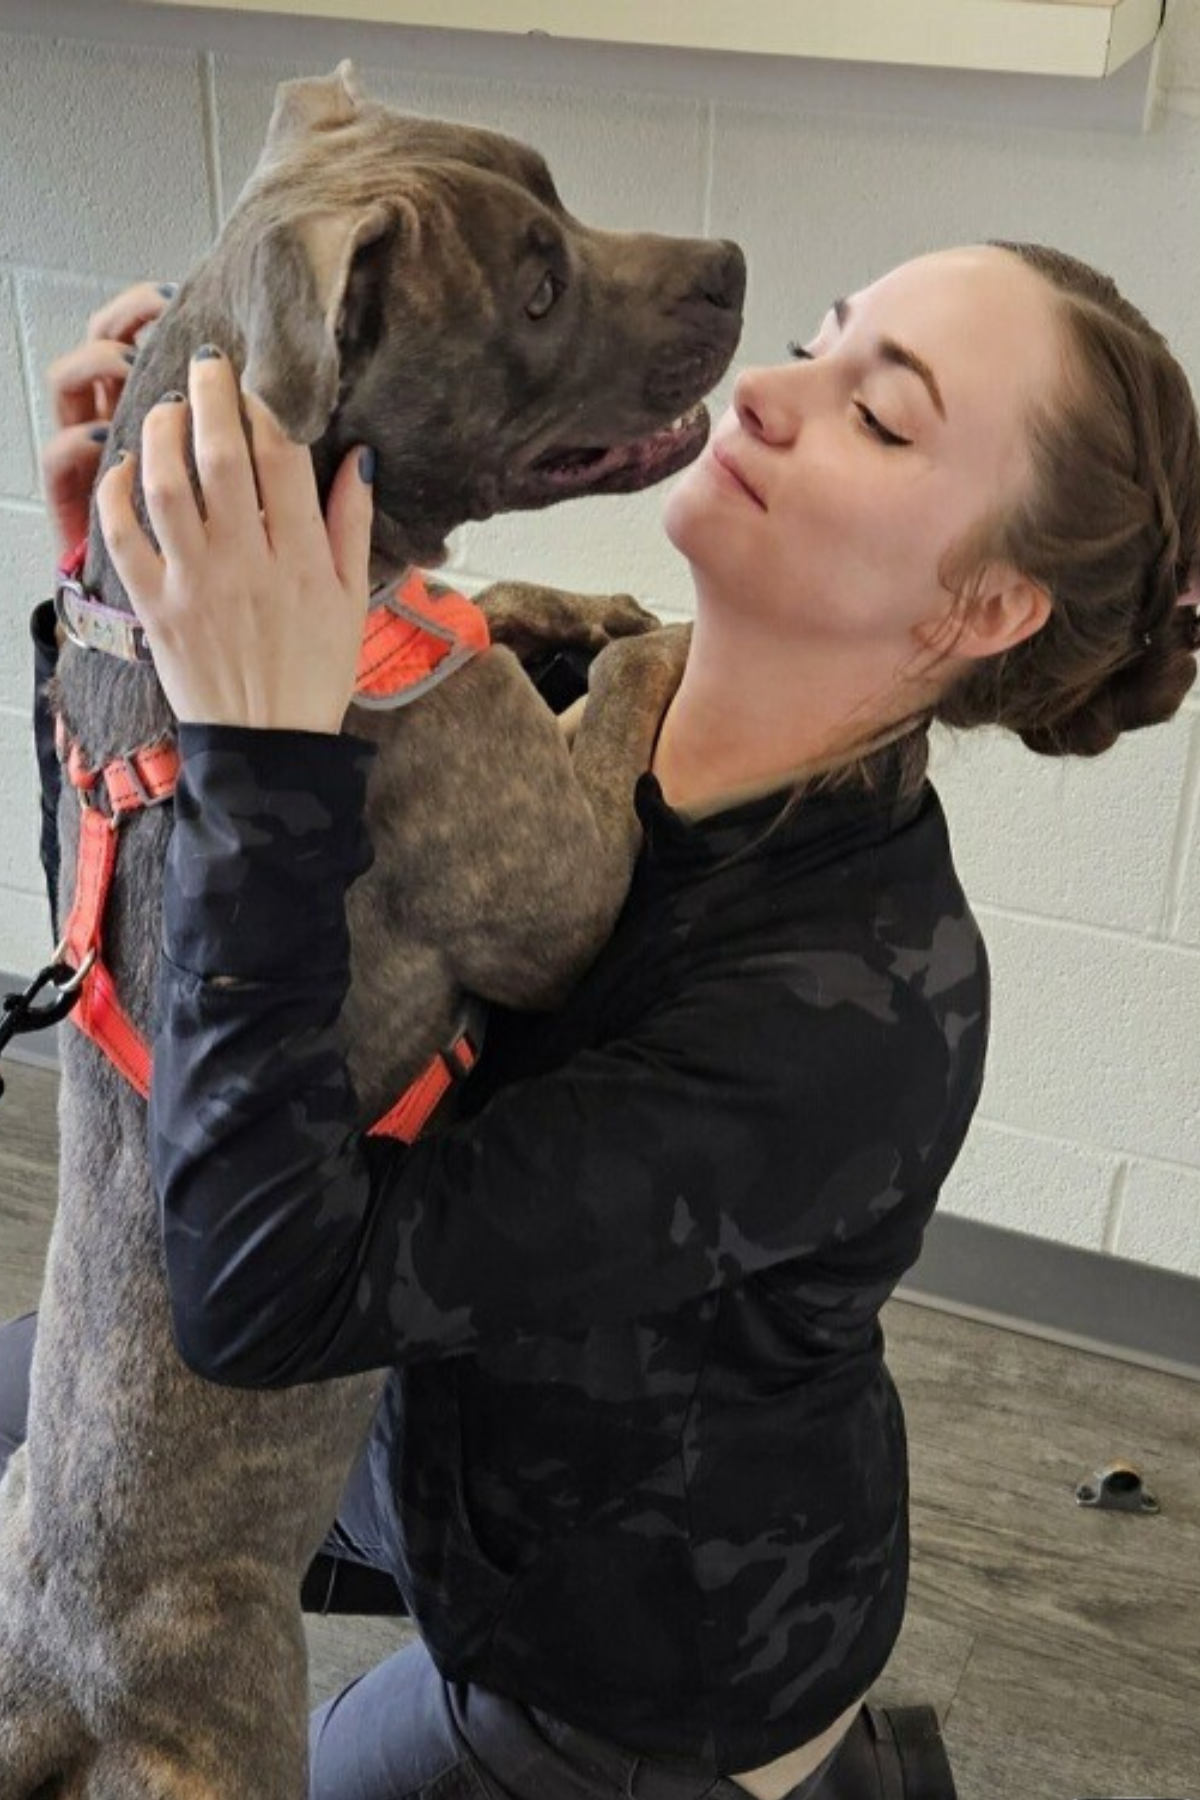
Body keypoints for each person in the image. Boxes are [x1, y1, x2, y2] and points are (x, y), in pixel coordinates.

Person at [5, 242, 1199, 1800]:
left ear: (983, 604)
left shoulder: (856, 1017)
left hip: (625, 1666)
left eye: (879, 419)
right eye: (809, 345)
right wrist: (121, 622)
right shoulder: (558, 675)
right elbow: (134, 996)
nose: (762, 393)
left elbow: (260, 1300)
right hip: (420, 1398)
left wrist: (264, 748)